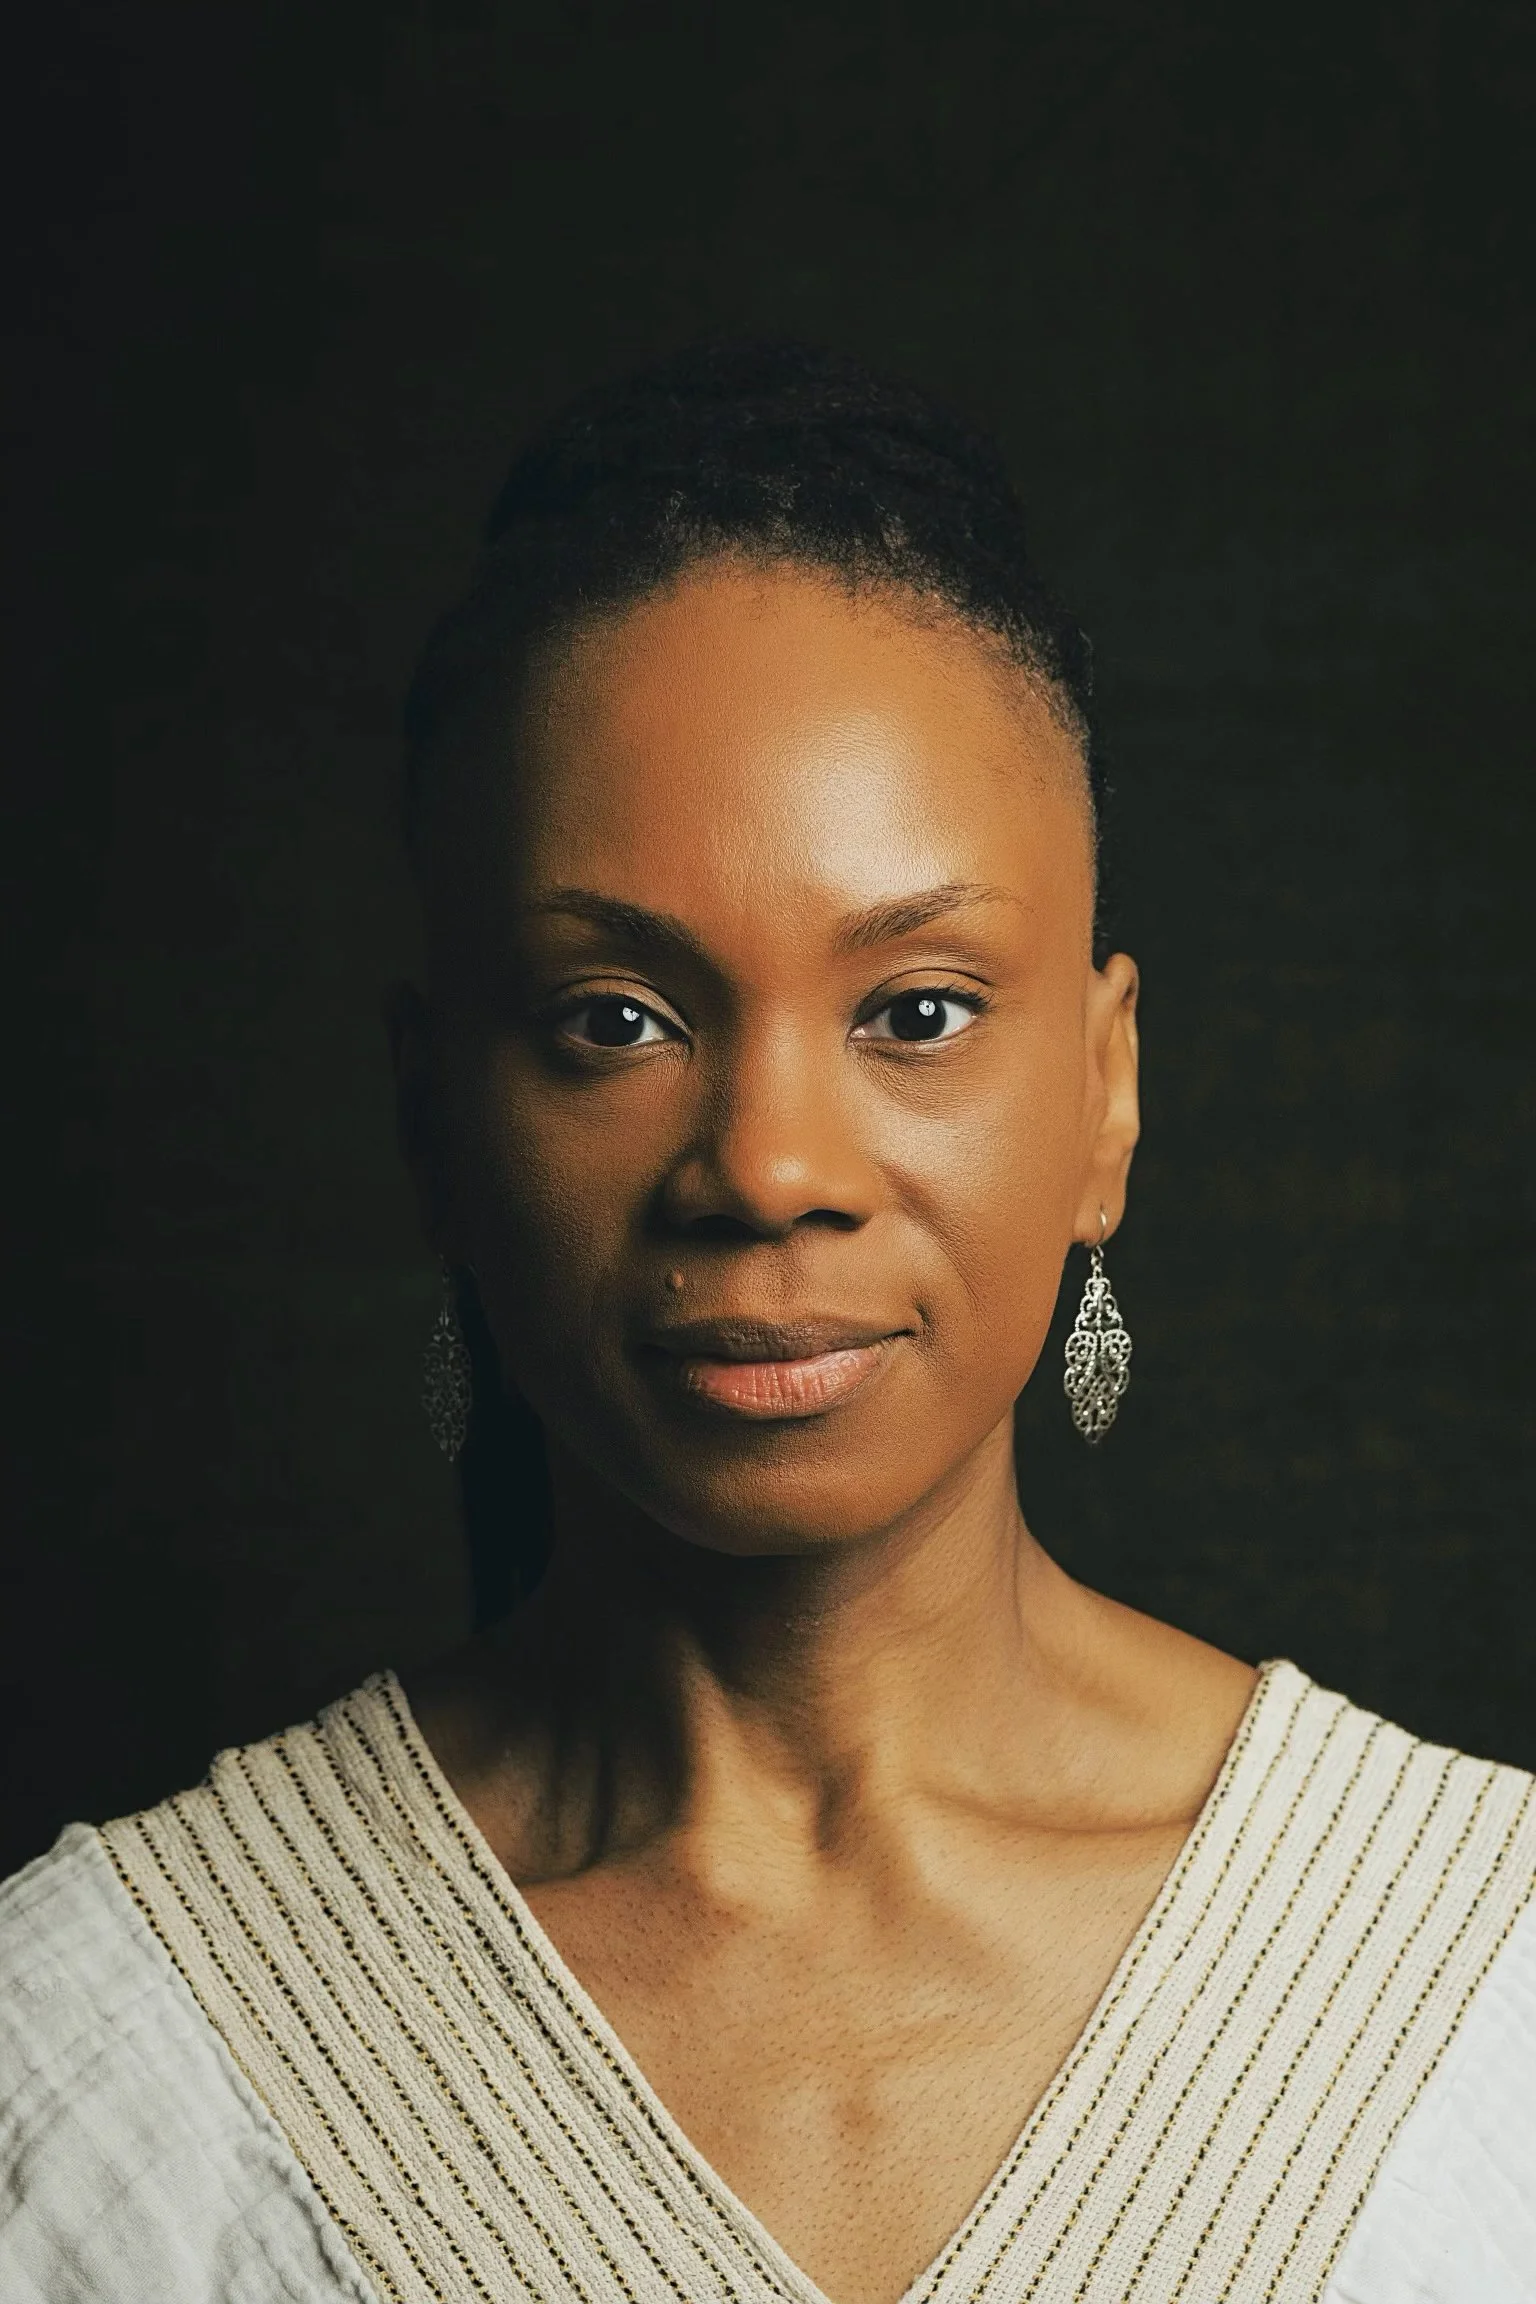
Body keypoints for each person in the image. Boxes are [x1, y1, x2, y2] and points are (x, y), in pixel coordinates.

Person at [2, 342, 1532, 2304]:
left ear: (1110, 1094)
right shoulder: (115, 2065)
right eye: (615, 1021)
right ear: (429, 1125)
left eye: (917, 1011)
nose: (768, 1165)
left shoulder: (1480, 1983)